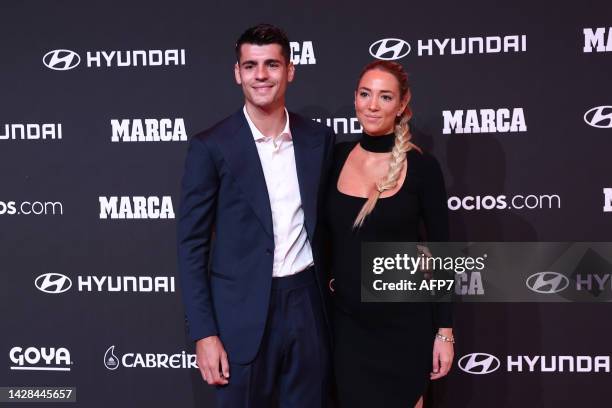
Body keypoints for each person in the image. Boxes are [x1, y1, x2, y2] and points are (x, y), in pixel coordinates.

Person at [177, 24, 335, 407]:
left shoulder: (319, 139)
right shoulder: (210, 146)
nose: (261, 75)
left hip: (307, 306)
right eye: (250, 66)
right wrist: (204, 333)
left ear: (290, 70)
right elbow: (192, 245)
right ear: (237, 73)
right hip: (239, 317)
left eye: (271, 65)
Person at [325, 60, 454, 407]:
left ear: (401, 104)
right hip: (347, 330)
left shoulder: (423, 168)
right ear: (354, 99)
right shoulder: (333, 158)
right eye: (365, 94)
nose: (372, 105)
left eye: (385, 97)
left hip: (404, 329)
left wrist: (445, 333)